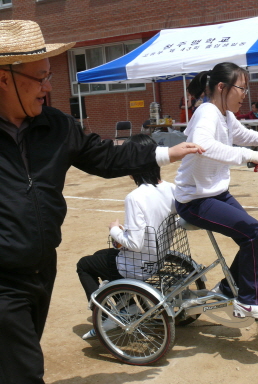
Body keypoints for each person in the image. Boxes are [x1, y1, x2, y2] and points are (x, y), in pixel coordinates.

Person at [0, 20, 203, 384]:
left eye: (49, 76)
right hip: (3, 278)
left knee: (14, 356)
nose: (48, 87)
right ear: (4, 78)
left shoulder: (57, 127)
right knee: (25, 369)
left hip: (41, 270)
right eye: (40, 77)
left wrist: (162, 153)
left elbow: (106, 157)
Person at [175, 62, 258, 320]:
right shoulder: (206, 112)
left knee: (250, 235)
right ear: (222, 87)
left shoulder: (225, 115)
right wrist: (249, 156)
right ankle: (250, 301)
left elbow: (247, 136)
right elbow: (203, 145)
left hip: (216, 194)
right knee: (254, 233)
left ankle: (226, 288)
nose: (245, 95)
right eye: (241, 88)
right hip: (195, 199)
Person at [76, 134, 177, 339]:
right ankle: (127, 307)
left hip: (137, 265)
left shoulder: (135, 197)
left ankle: (102, 316)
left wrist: (114, 229)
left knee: (85, 265)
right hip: (157, 259)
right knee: (102, 256)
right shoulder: (171, 188)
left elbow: (135, 243)